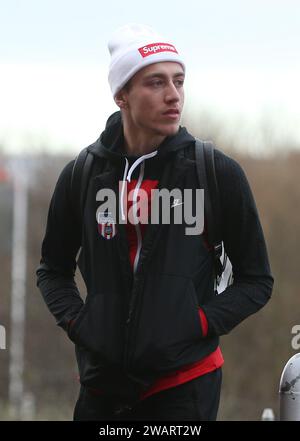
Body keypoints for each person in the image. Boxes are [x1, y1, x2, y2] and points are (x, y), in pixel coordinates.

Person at [36, 24, 274, 421]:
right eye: (156, 82)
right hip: (101, 387)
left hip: (185, 383)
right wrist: (80, 322)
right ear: (121, 96)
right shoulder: (81, 174)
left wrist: (197, 321)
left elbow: (257, 281)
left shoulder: (215, 172)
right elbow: (52, 270)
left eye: (179, 81)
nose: (173, 95)